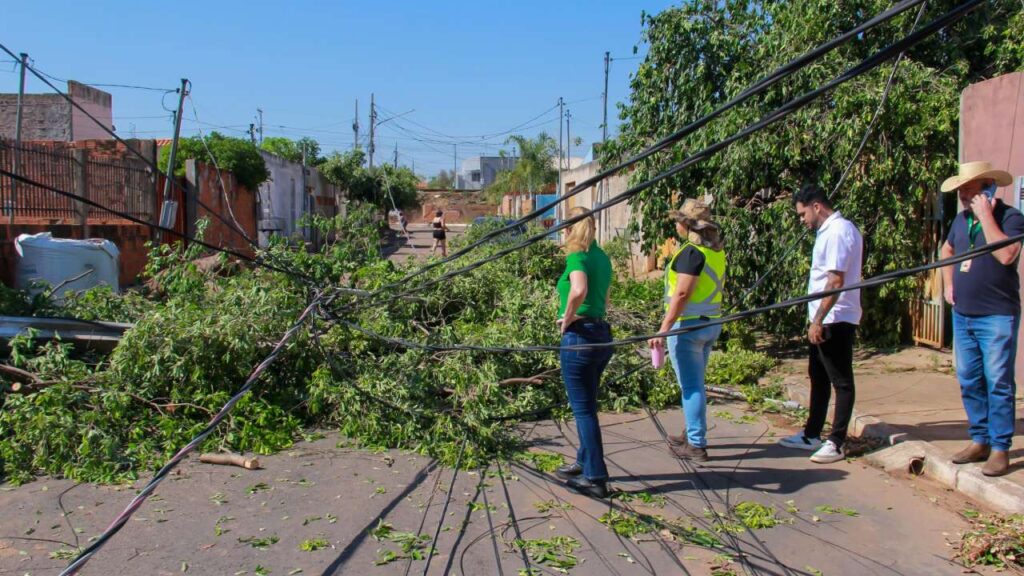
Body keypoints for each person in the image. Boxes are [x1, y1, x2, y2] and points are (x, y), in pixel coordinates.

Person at [940, 160, 1021, 477]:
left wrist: (986, 214)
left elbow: (1007, 255)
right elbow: (946, 250)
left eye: (969, 190)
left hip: (997, 315)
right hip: (963, 315)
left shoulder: (1011, 218)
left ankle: (1000, 448)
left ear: (988, 186)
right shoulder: (960, 221)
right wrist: (948, 285)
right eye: (961, 192)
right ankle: (979, 439)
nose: (963, 197)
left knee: (998, 382)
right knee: (969, 379)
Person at [779, 183, 863, 464]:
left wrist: (818, 320)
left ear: (817, 206)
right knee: (818, 376)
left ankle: (837, 441)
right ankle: (811, 434)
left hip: (835, 318)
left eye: (803, 214)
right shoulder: (827, 232)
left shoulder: (839, 231)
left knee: (841, 381)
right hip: (823, 316)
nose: (802, 220)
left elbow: (835, 281)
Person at [650, 198, 726, 462]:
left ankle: (696, 444)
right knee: (696, 383)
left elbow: (682, 293)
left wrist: (663, 329)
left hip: (688, 327)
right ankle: (691, 431)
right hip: (711, 323)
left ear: (685, 224)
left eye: (679, 222)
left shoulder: (691, 253)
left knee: (691, 387)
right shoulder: (714, 250)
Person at [554, 206, 614, 498]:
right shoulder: (601, 257)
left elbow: (578, 289)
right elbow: (604, 296)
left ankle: (596, 478)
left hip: (580, 338)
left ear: (569, 229)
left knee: (583, 410)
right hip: (601, 334)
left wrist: (567, 317)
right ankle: (583, 461)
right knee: (588, 404)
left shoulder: (576, 255)